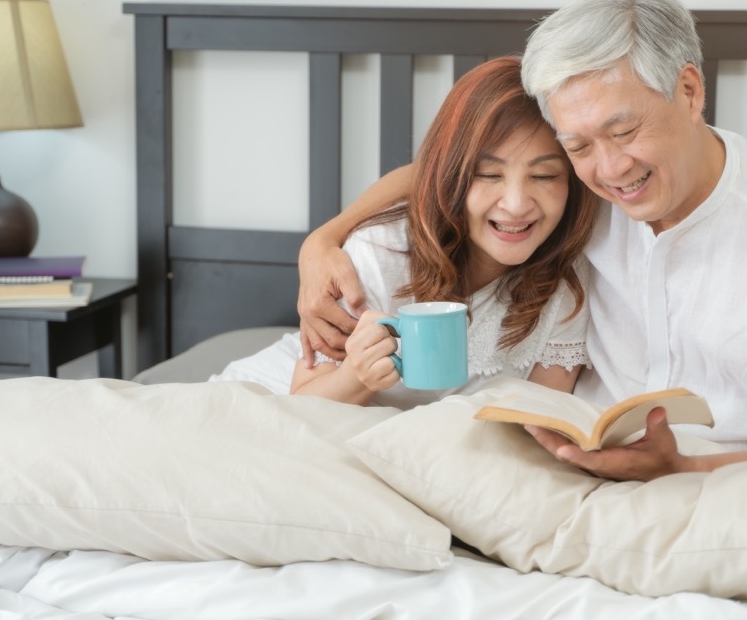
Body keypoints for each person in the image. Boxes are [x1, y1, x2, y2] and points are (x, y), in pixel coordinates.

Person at [295, 0, 747, 479]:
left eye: (626, 132)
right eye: (577, 145)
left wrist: (682, 470)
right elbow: (448, 176)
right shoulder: (569, 192)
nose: (609, 170)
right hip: (567, 474)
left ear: (689, 92)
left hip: (739, 480)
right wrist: (324, 239)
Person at [212, 56, 597, 409]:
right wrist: (357, 377)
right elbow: (304, 403)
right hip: (273, 401)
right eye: (488, 174)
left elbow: (545, 418)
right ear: (451, 177)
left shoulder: (569, 282)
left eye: (545, 175)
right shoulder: (383, 253)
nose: (516, 203)